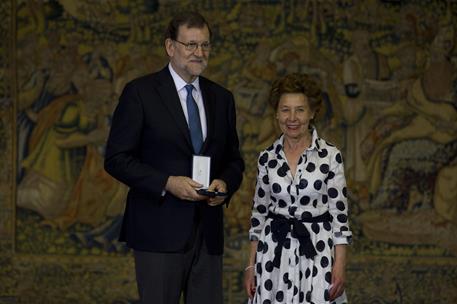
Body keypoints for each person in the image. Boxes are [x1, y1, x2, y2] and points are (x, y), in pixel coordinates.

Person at [104, 12, 244, 304]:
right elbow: (116, 158)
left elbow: (234, 160)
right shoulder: (140, 93)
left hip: (208, 232)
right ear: (170, 47)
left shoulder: (222, 98)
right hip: (158, 230)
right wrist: (167, 182)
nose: (200, 53)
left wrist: (224, 184)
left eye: (205, 45)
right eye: (191, 45)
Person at [244, 73, 352, 304]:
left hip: (318, 254)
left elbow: (340, 219)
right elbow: (258, 217)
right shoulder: (266, 158)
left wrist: (340, 265)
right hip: (273, 255)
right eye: (285, 110)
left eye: (300, 110)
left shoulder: (330, 156)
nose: (292, 118)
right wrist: (251, 266)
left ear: (312, 113)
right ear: (276, 114)